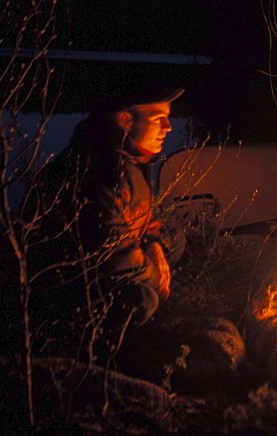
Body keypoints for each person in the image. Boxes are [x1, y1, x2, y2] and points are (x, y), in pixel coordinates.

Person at [32, 85, 186, 349]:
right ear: (125, 121)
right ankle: (95, 347)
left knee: (178, 240)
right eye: (158, 118)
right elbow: (111, 258)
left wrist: (154, 244)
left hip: (116, 258)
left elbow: (143, 220)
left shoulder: (129, 159)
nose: (169, 127)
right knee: (143, 300)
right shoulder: (101, 172)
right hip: (73, 283)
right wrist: (154, 274)